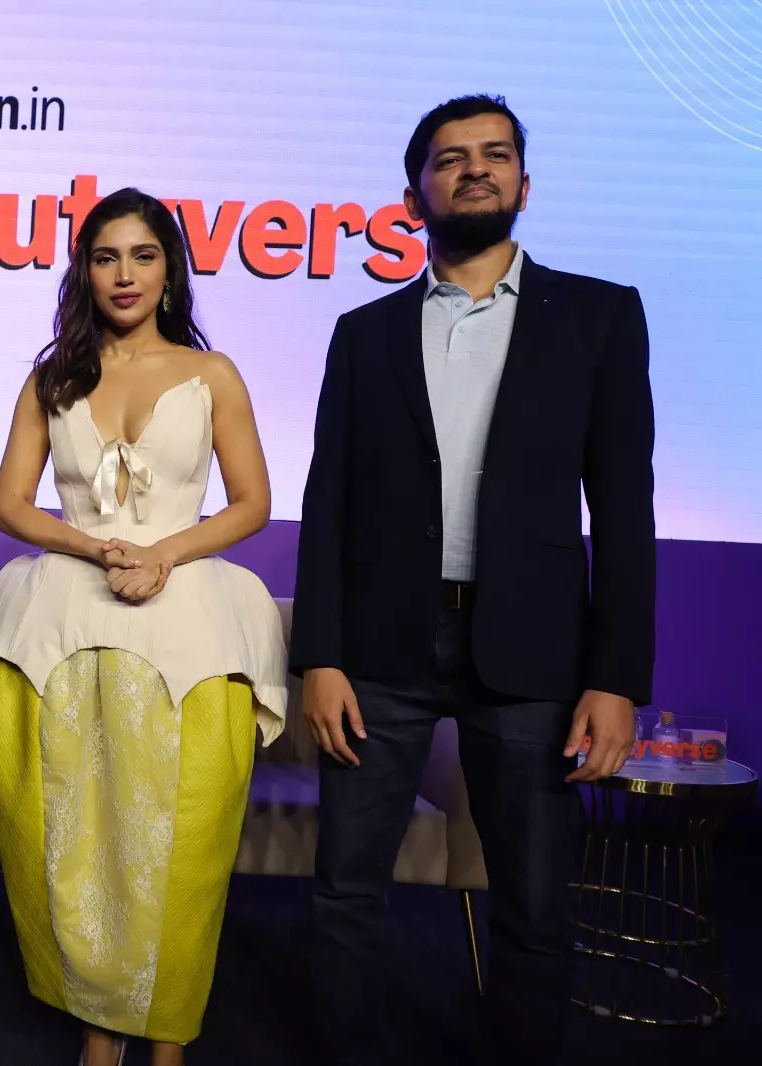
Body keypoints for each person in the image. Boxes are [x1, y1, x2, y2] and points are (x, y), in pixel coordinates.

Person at [292, 94, 654, 1066]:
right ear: (415, 196)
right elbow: (328, 503)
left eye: (495, 154)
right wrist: (319, 656)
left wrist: (616, 678)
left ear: (524, 185)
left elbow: (625, 510)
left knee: (535, 905)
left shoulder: (599, 317)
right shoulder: (362, 332)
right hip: (380, 651)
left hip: (533, 652)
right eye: (450, 158)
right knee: (345, 894)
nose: (476, 169)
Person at [0, 188, 289, 1066]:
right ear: (84, 270)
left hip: (188, 619)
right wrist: (94, 545)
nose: (125, 274)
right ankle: (97, 1026)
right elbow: (11, 506)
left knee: (183, 844)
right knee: (78, 839)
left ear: (169, 270)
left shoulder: (213, 373)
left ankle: (169, 1033)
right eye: (106, 256)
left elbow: (253, 502)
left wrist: (164, 554)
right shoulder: (52, 378)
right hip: (66, 614)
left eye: (143, 255)